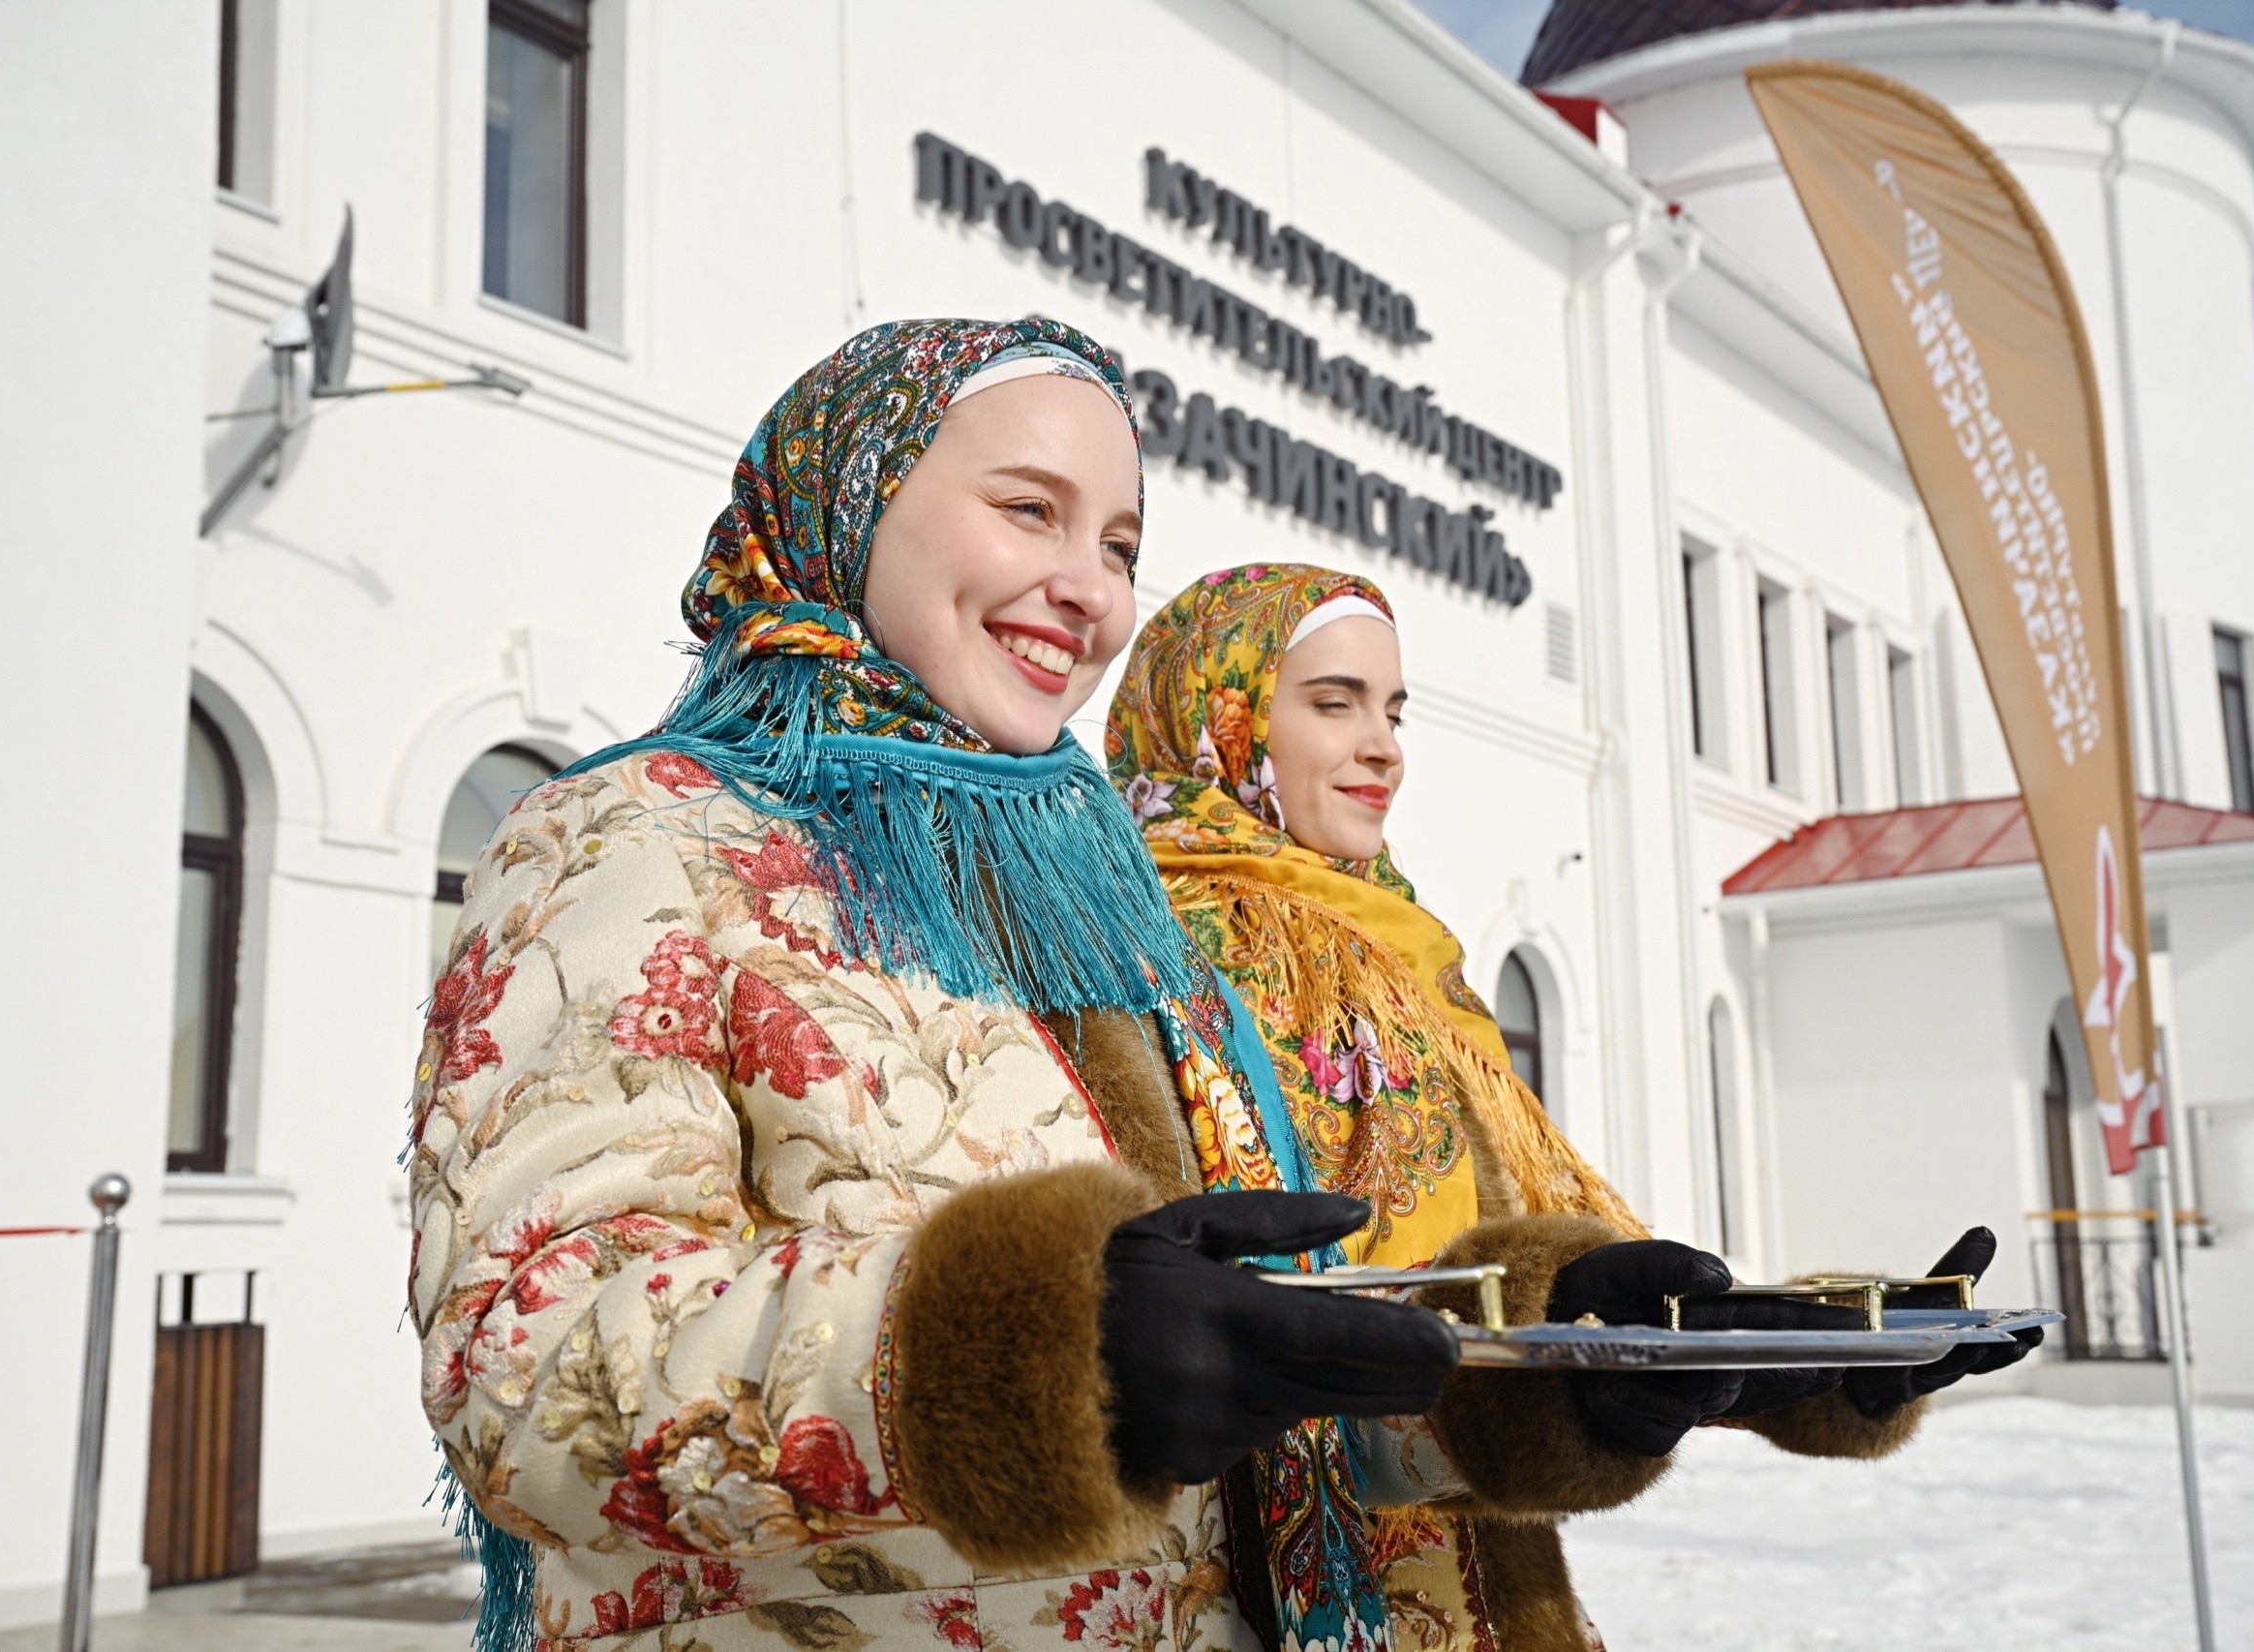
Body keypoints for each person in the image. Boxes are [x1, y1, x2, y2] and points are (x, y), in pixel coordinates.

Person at [404, 322, 1465, 1652]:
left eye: (1122, 547)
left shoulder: (1101, 893)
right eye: (1032, 511)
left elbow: (1228, 1397)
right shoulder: (640, 836)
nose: (1089, 589)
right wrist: (1027, 1356)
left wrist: (1536, 1374)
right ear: (856, 498)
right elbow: (526, 1372)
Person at [1106, 564, 2039, 1651]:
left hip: (1484, 1579)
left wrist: (1821, 1363)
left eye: (1394, 709)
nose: (1384, 745)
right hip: (1240, 1588)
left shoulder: (1409, 956)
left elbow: (1510, 1279)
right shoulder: (1135, 954)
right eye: (1333, 701)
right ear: (1215, 714)